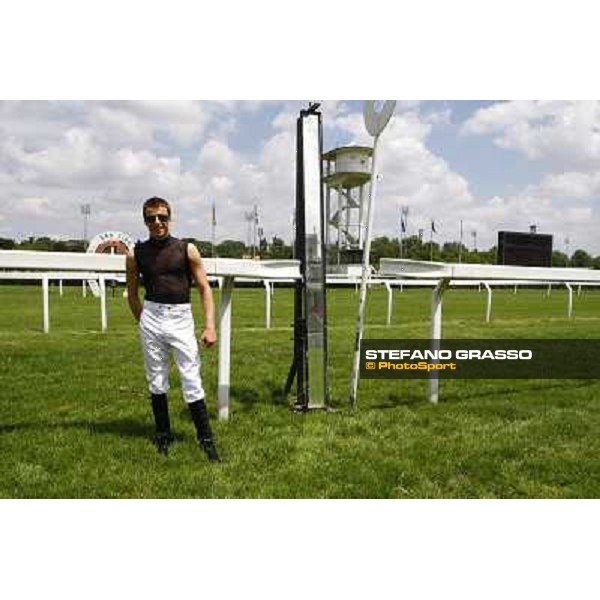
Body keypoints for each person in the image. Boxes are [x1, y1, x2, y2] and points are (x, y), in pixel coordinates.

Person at [126, 196, 220, 461]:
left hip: (180, 318)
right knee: (156, 378)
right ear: (145, 220)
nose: (157, 223)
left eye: (162, 217)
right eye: (151, 218)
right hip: (151, 316)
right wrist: (144, 321)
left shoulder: (187, 249)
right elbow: (132, 294)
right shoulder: (135, 253)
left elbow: (204, 288)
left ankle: (206, 438)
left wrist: (210, 326)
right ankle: (163, 434)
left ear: (170, 218)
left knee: (191, 378)